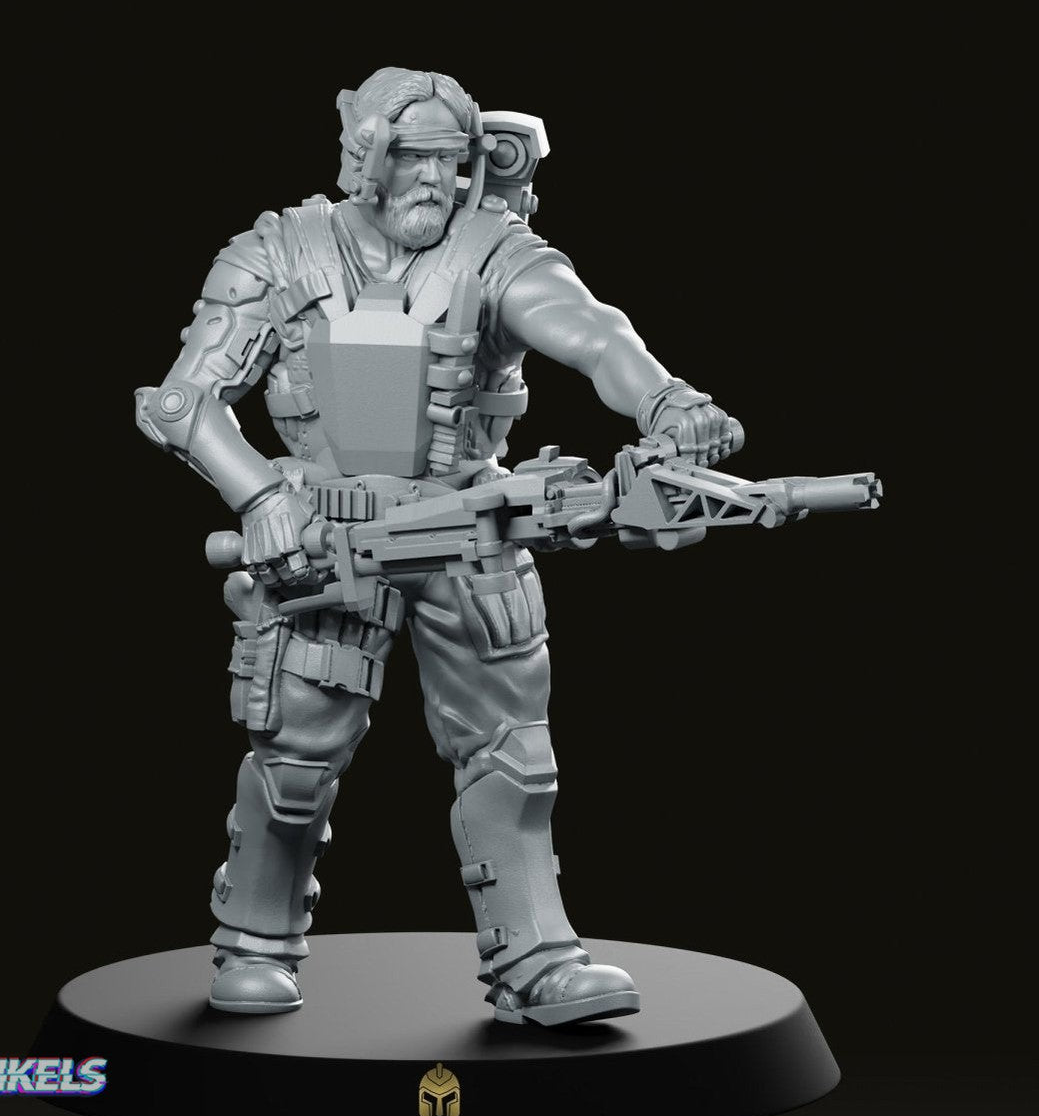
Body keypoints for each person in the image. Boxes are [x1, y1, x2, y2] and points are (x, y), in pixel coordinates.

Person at [136, 66, 736, 1027]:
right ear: (366, 155)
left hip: (469, 534)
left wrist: (666, 399)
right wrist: (261, 496)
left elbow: (590, 332)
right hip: (323, 541)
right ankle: (253, 941)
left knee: (514, 760)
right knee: (295, 755)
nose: (437, 180)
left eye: (453, 161)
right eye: (414, 157)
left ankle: (536, 962)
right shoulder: (279, 252)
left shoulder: (489, 248)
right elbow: (180, 402)